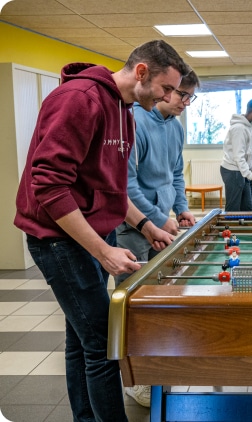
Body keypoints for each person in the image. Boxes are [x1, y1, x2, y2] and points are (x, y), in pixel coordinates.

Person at [13, 40, 189, 422]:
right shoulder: (78, 98)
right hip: (59, 240)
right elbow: (49, 185)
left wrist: (145, 226)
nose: (170, 98)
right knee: (103, 343)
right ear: (141, 72)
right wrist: (101, 250)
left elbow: (111, 188)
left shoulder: (123, 108)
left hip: (95, 233)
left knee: (82, 340)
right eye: (167, 88)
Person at [115, 70, 200, 287]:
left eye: (191, 97)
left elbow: (176, 174)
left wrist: (181, 208)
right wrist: (158, 219)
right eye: (183, 95)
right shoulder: (134, 122)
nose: (187, 103)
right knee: (133, 288)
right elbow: (127, 187)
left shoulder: (176, 127)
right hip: (133, 224)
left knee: (158, 283)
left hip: (160, 217)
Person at [220, 98, 252, 211]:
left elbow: (248, 154)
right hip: (232, 171)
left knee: (247, 207)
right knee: (234, 208)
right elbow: (238, 156)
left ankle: (245, 228)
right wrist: (250, 175)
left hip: (240, 171)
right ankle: (229, 228)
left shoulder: (247, 127)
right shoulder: (239, 128)